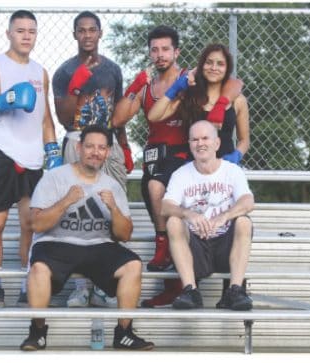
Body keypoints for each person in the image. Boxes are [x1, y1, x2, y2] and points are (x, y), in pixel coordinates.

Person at [112, 28, 244, 307]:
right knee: (161, 200)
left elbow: (235, 84)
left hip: (222, 168)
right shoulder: (189, 91)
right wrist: (158, 88)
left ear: (176, 52)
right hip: (186, 163)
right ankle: (179, 282)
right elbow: (145, 115)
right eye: (155, 50)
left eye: (166, 49)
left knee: (234, 221)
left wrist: (235, 155)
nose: (214, 67)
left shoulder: (230, 93)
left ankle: (233, 289)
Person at [20, 125, 154, 351]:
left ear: (108, 152)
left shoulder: (112, 186)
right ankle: (37, 332)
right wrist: (66, 201)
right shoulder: (54, 178)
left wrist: (113, 209)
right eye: (90, 146)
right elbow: (36, 224)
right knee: (39, 268)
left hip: (97, 246)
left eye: (101, 148)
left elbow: (125, 235)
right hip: (56, 243)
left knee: (132, 264)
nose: (95, 152)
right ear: (79, 147)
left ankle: (124, 333)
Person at [0, 10, 62, 308]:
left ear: (36, 35)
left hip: (33, 156)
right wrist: (2, 102)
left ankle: (26, 283)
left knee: (29, 223)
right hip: (2, 151)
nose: (25, 36)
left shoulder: (40, 72)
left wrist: (53, 153)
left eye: (31, 31)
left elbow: (45, 117)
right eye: (20, 30)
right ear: (9, 33)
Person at [51, 10, 129, 308]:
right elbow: (63, 117)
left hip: (107, 142)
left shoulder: (112, 69)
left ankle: (104, 283)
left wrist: (124, 145)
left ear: (100, 33)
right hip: (77, 139)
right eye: (81, 30)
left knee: (113, 207)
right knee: (79, 213)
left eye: (91, 30)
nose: (86, 35)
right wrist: (77, 84)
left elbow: (118, 112)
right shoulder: (64, 71)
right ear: (74, 34)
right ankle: (81, 285)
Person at [162, 121, 254, 311]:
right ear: (189, 144)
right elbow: (165, 207)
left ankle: (235, 290)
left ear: (217, 144)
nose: (200, 143)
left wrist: (224, 216)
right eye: (194, 139)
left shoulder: (232, 171)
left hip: (225, 248)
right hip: (196, 248)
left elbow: (248, 202)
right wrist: (188, 214)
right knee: (173, 221)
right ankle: (190, 291)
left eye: (205, 138)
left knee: (244, 221)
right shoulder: (181, 174)